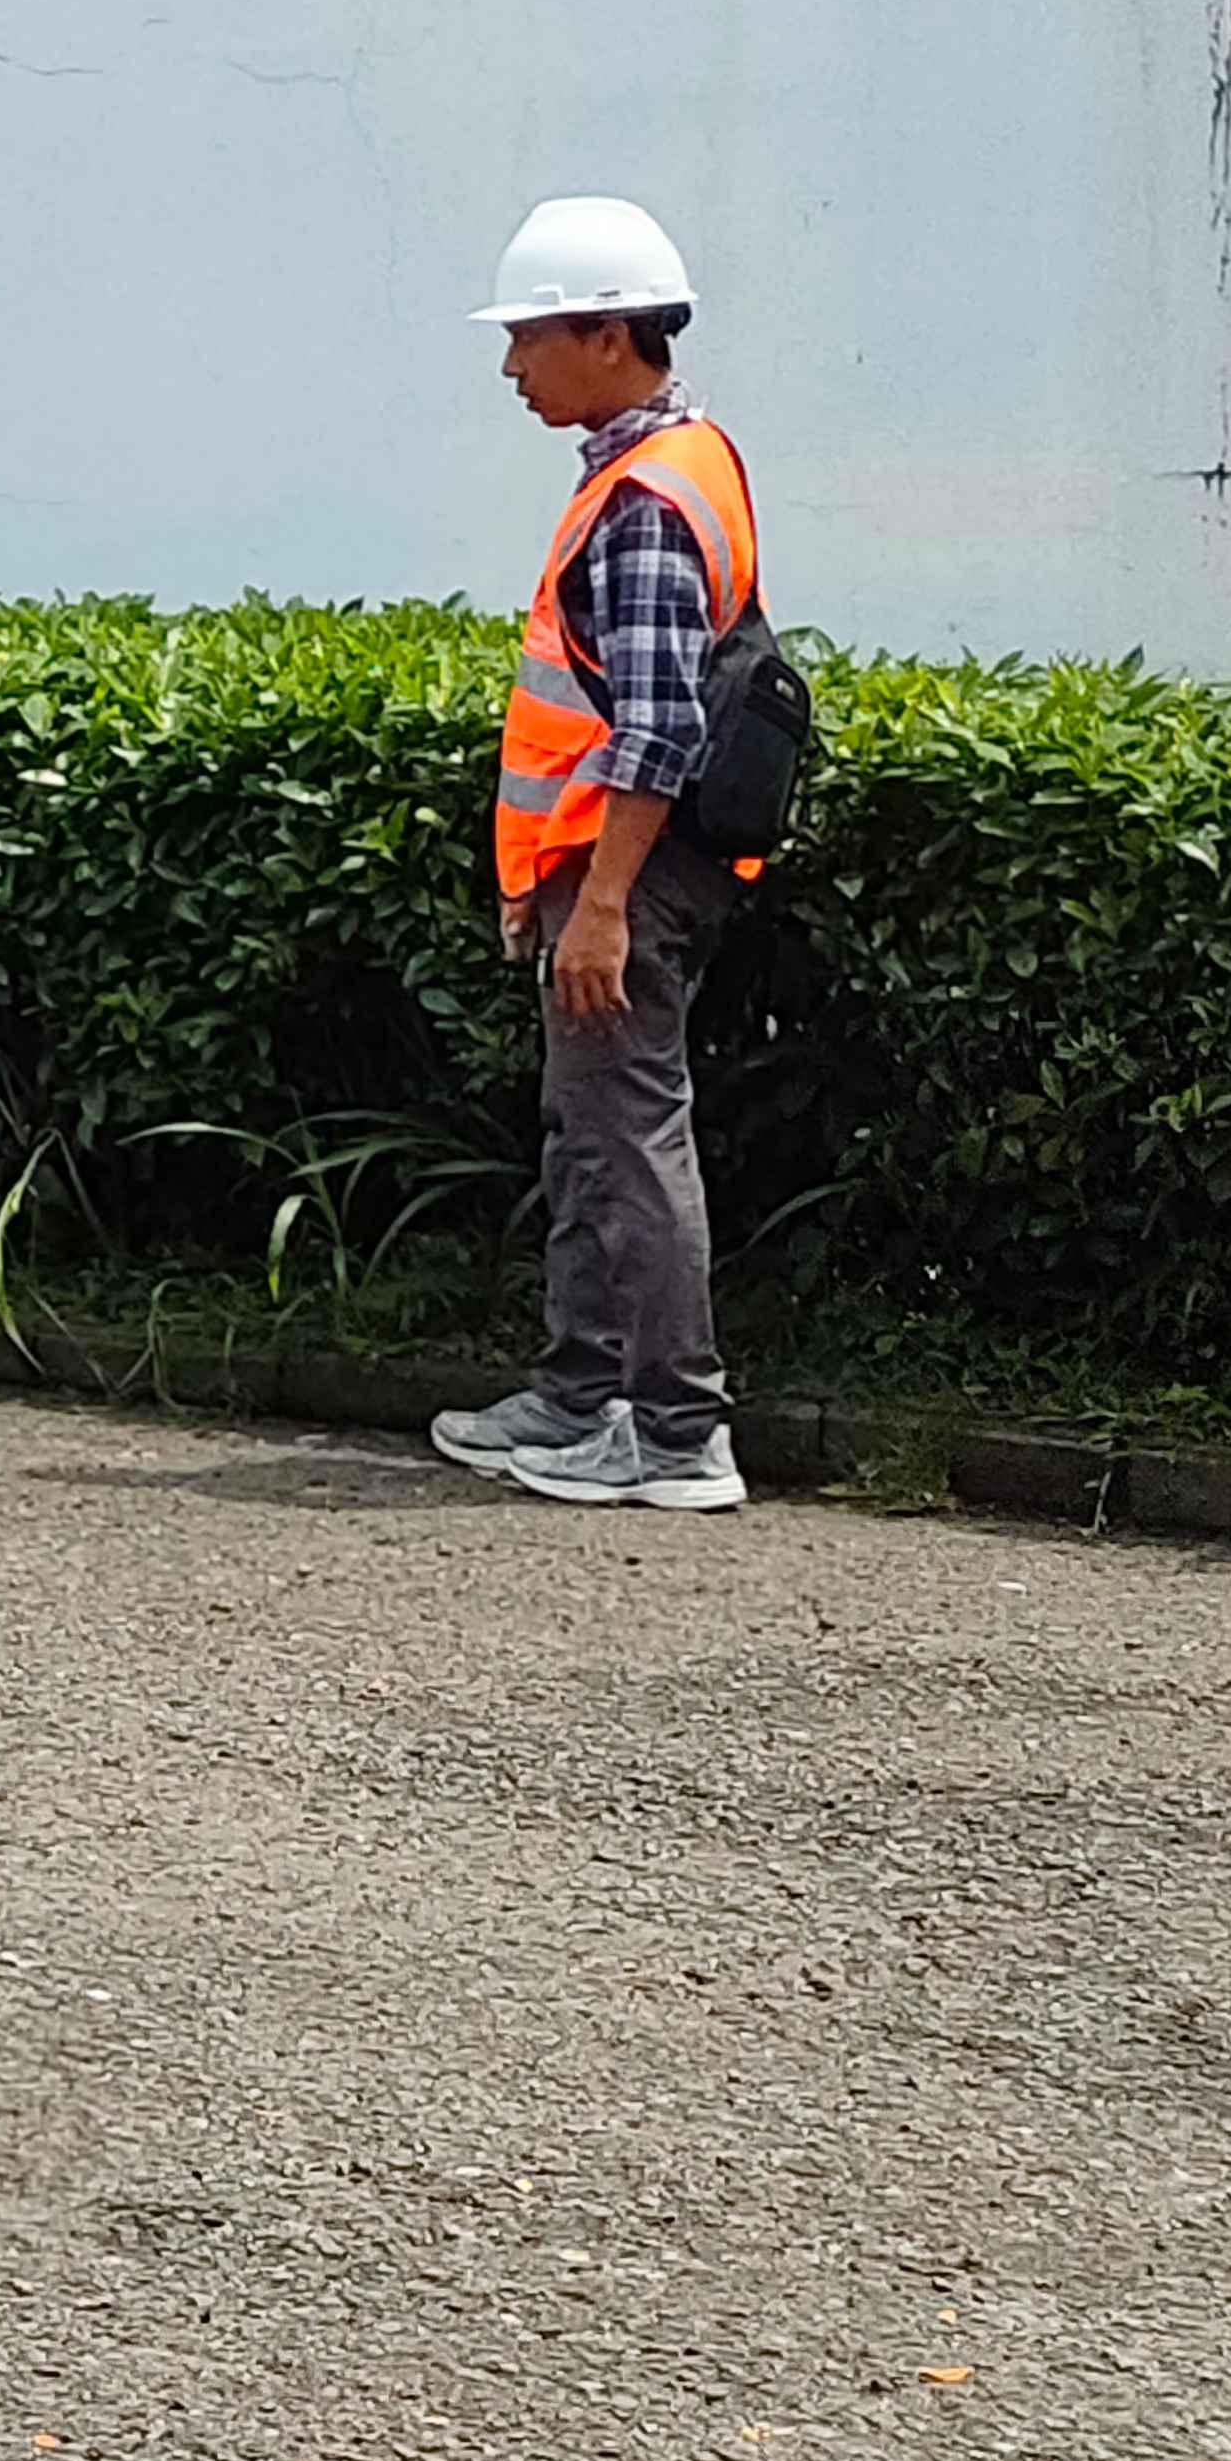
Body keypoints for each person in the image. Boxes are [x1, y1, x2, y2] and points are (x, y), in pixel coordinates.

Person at [431, 194, 768, 1514]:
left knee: (625, 1135)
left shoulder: (641, 500)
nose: (511, 365)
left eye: (530, 337)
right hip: (615, 865)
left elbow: (654, 722)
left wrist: (603, 904)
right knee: (590, 1131)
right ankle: (581, 1397)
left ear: (609, 335)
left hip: (625, 868)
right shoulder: (677, 462)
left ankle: (676, 1431)